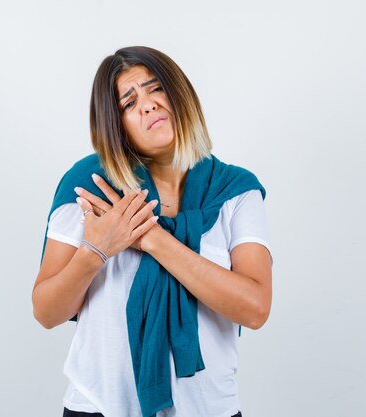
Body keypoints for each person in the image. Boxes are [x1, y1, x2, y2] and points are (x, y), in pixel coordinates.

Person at [32, 46, 273, 417]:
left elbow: (255, 308)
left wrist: (154, 239)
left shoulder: (235, 190)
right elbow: (46, 311)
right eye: (129, 103)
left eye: (156, 89)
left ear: (180, 94)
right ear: (117, 126)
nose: (147, 105)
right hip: (99, 408)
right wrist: (96, 249)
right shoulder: (89, 185)